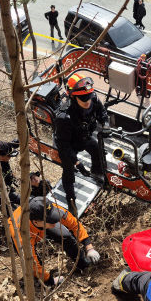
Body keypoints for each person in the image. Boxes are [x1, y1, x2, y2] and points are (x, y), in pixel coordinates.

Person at [9, 196, 101, 286]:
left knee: (65, 236)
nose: (55, 221)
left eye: (55, 217)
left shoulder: (48, 207)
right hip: (22, 232)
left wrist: (89, 246)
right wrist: (49, 280)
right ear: (36, 222)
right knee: (33, 261)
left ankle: (82, 263)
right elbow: (32, 262)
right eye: (51, 220)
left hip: (40, 223)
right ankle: (42, 281)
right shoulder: (21, 234)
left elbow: (74, 224)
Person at [54, 73, 109, 216]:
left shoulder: (93, 98)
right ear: (73, 97)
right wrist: (77, 162)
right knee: (68, 172)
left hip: (83, 136)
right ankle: (71, 200)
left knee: (96, 149)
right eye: (83, 100)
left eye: (89, 98)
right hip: (67, 143)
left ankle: (97, 171)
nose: (87, 102)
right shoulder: (64, 117)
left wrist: (105, 123)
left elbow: (102, 111)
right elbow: (63, 145)